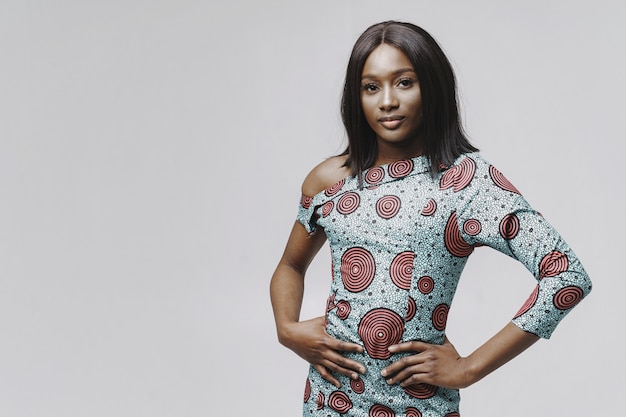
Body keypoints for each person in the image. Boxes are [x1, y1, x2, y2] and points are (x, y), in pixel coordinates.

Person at [269, 21, 591, 417]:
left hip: (418, 403)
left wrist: (468, 368)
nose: (387, 101)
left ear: (432, 87)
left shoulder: (467, 182)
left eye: (404, 82)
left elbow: (566, 276)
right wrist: (287, 329)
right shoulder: (328, 180)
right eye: (371, 87)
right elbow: (290, 265)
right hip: (329, 398)